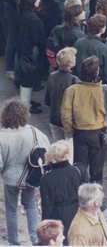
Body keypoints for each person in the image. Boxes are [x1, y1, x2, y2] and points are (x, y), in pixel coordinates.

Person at [60, 56, 107, 183]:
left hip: (80, 133)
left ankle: (81, 194)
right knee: (97, 170)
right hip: (99, 135)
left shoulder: (71, 91)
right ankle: (96, 197)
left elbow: (65, 115)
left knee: (80, 168)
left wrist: (69, 130)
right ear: (97, 72)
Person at [0, 98, 50, 245]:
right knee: (30, 205)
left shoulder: (2, 136)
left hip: (10, 179)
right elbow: (47, 153)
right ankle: (35, 239)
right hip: (31, 177)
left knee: (11, 210)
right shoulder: (35, 132)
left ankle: (14, 242)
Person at [40, 140, 82, 238]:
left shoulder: (46, 178)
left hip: (57, 216)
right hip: (76, 213)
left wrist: (44, 224)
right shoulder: (77, 171)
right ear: (66, 155)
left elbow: (46, 205)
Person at [44, 46, 79, 141]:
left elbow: (47, 100)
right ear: (72, 63)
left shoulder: (51, 76)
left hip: (54, 118)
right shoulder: (74, 80)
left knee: (58, 145)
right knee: (69, 147)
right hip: (68, 121)